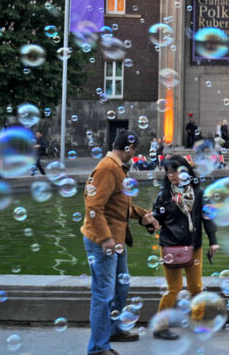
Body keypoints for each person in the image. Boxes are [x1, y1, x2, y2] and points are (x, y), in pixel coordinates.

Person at [81, 130, 159, 355]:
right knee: (103, 294)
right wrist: (105, 238)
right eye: (134, 152)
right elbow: (93, 206)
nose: (134, 156)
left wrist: (144, 215)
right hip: (103, 241)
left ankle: (113, 330)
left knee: (121, 286)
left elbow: (119, 207)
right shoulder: (107, 168)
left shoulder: (118, 169)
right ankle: (98, 348)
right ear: (129, 149)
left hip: (116, 240)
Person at [151, 156, 218, 340]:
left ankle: (198, 322)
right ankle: (160, 326)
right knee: (174, 288)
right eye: (168, 172)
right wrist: (151, 222)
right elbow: (156, 219)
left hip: (193, 244)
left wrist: (213, 240)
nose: (172, 176)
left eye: (175, 171)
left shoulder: (198, 192)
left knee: (196, 287)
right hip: (170, 246)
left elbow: (207, 218)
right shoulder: (163, 195)